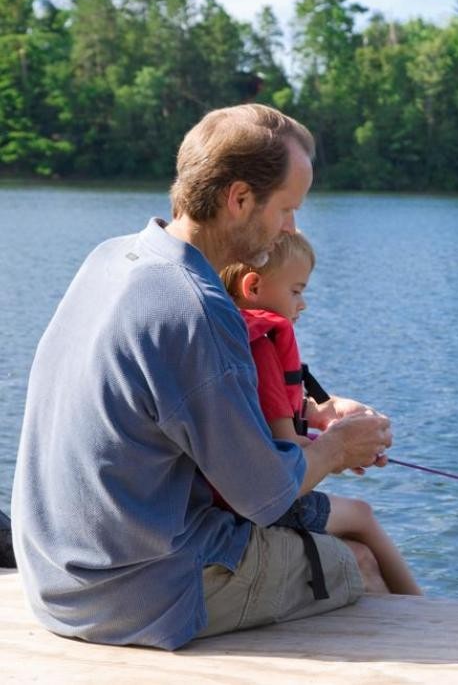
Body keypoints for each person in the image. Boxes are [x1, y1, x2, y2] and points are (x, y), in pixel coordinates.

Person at [11, 103, 398, 650]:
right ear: (239, 199)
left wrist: (307, 418)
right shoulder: (196, 308)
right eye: (287, 208)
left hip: (55, 577)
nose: (292, 227)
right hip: (136, 595)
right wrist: (337, 450)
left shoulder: (112, 257)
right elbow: (264, 497)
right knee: (355, 564)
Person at [219, 232, 421, 595]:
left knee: (359, 536)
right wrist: (338, 450)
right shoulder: (262, 352)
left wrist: (323, 425)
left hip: (238, 496)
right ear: (253, 287)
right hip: (259, 505)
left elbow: (274, 422)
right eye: (296, 291)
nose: (303, 304)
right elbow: (285, 452)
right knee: (362, 516)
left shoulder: (227, 334)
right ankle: (425, 610)